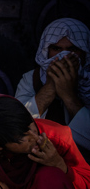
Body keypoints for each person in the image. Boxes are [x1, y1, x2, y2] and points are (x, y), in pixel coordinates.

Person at [15, 18, 90, 151]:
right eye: (56, 48)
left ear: (85, 52)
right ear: (46, 51)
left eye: (72, 49)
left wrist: (68, 96)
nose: (64, 56)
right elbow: (17, 127)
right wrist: (50, 86)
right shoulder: (31, 78)